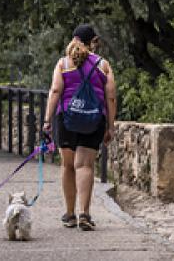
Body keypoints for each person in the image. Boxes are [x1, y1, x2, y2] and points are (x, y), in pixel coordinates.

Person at [43, 24, 116, 230]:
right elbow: (110, 97)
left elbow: (56, 89)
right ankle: (85, 213)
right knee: (84, 166)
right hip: (94, 120)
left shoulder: (63, 63)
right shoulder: (103, 65)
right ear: (92, 42)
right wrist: (110, 126)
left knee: (67, 165)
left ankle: (70, 214)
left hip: (67, 118)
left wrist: (47, 120)